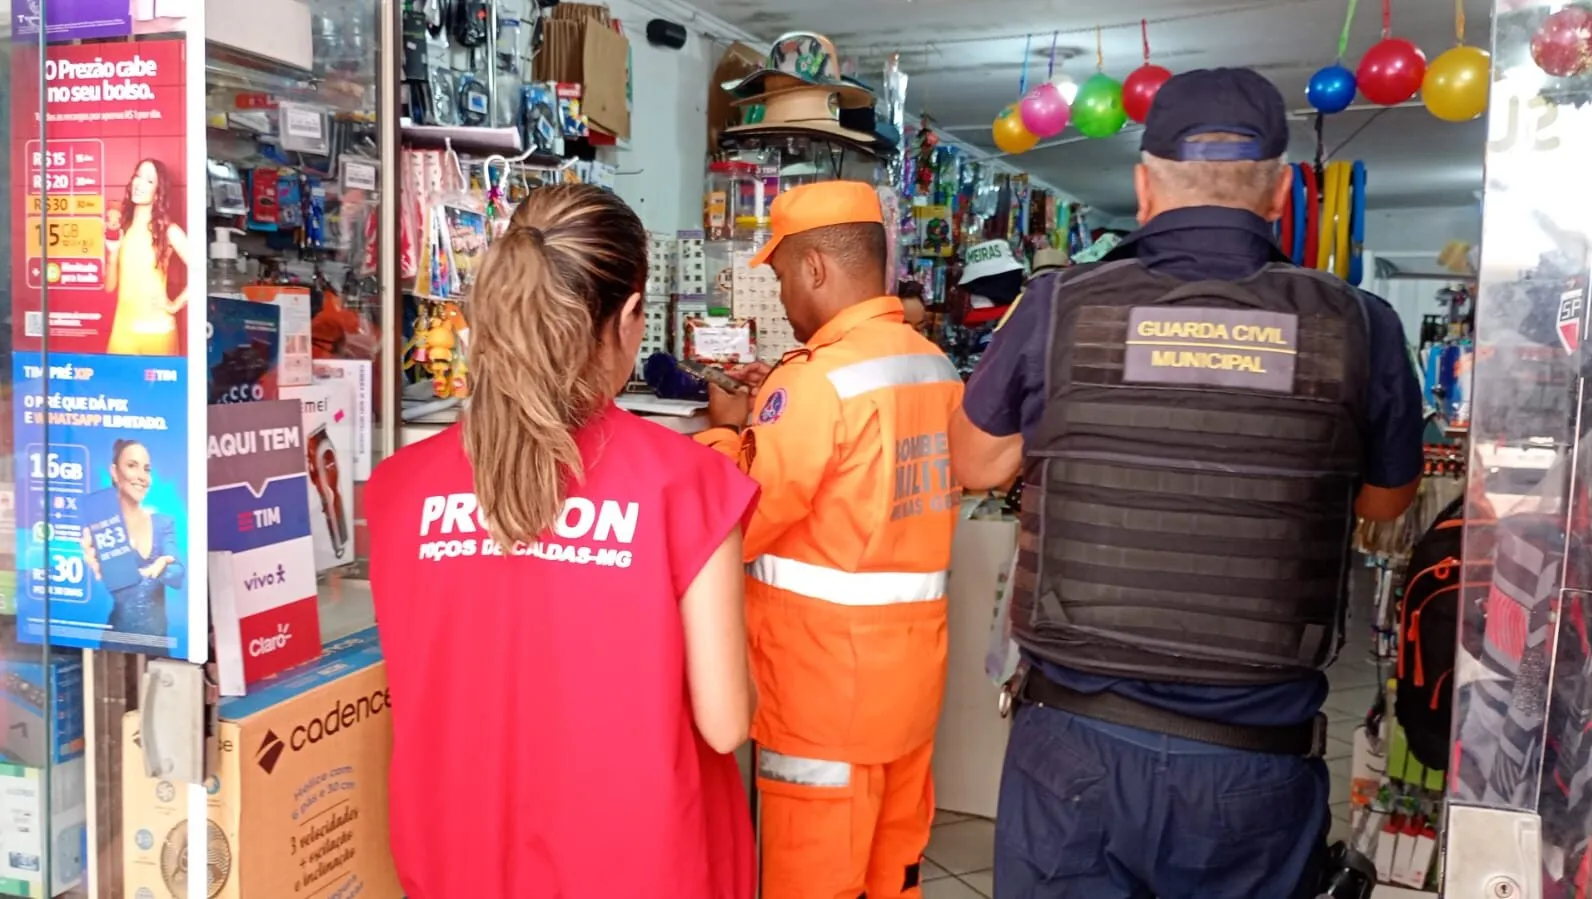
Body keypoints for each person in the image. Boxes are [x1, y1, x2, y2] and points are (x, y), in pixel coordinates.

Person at [950, 68, 1423, 899]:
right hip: (1253, 761)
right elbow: (1385, 502)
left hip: (1074, 749)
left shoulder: (1058, 305)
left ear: (1143, 186)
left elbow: (976, 465)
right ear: (1279, 191)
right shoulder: (1358, 324)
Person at [365, 185, 759, 899]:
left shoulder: (400, 489)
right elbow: (726, 721)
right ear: (630, 316)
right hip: (637, 866)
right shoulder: (686, 484)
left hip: (458, 861)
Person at [698, 180, 964, 899]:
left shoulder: (820, 381)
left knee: (812, 880)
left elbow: (741, 519)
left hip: (821, 695)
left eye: (783, 276)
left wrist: (725, 432)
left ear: (815, 267)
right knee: (893, 873)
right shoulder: (932, 365)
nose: (783, 297)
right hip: (909, 685)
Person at [80, 439, 184, 642]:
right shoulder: (102, 525)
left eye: (147, 469)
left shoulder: (163, 523)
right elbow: (118, 592)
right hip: (117, 641)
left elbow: (178, 575)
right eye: (132, 465)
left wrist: (162, 567)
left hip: (157, 642)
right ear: (115, 472)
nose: (141, 476)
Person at [106, 158, 189, 356]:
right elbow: (109, 287)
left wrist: (175, 305)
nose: (140, 183)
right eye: (138, 176)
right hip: (123, 329)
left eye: (149, 180)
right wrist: (113, 254)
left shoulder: (169, 231)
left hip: (157, 329)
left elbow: (201, 272)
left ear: (158, 191)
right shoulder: (123, 229)